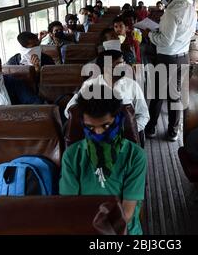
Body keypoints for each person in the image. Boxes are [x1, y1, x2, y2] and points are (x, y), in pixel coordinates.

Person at [59, 84, 147, 235]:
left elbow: (126, 212)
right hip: (84, 228)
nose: (99, 134)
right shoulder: (72, 156)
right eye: (91, 128)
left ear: (118, 121)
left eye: (106, 126)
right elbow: (70, 207)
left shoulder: (135, 156)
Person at [143, 0, 197, 141]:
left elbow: (165, 41)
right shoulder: (190, 8)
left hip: (167, 58)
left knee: (158, 94)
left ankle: (151, 128)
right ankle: (173, 131)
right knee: (176, 95)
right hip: (183, 57)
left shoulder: (171, 12)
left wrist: (150, 34)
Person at [65, 50, 149, 146]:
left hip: (125, 139)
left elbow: (143, 115)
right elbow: (70, 110)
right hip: (94, 138)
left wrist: (130, 130)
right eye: (119, 65)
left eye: (123, 64)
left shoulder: (132, 86)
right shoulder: (89, 85)